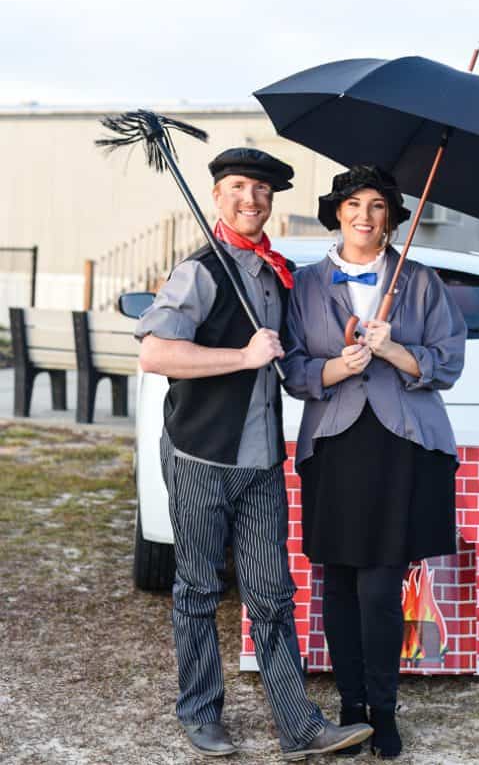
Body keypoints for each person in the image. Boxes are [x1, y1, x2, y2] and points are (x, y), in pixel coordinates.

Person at [135, 148, 372, 760]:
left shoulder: (275, 273)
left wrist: (340, 363)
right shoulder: (201, 272)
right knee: (196, 589)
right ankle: (200, 712)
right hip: (200, 458)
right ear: (218, 196)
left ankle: (299, 728)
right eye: (239, 187)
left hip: (263, 463)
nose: (252, 199)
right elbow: (156, 354)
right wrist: (241, 357)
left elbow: (290, 369)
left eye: (263, 190)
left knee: (272, 593)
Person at [283, 165, 467, 759]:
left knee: (383, 587)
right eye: (353, 204)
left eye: (378, 206)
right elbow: (291, 367)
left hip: (399, 446)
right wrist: (339, 367)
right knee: (337, 580)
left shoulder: (419, 281)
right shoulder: (306, 284)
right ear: (336, 212)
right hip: (334, 445)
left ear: (392, 216)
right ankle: (349, 706)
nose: (365, 216)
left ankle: (384, 710)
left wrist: (393, 350)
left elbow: (448, 360)